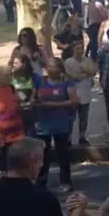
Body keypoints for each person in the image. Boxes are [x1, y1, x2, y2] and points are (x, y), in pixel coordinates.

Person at [34, 58, 79, 192]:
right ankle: (41, 181)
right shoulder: (40, 80)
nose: (52, 69)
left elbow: (74, 101)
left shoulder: (66, 82)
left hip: (61, 122)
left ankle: (65, 180)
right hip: (43, 123)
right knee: (42, 153)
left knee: (62, 153)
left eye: (55, 66)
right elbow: (34, 97)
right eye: (49, 66)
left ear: (60, 68)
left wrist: (52, 105)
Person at [64, 41, 96, 145]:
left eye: (81, 48)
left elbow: (93, 71)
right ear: (73, 50)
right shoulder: (68, 62)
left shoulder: (88, 60)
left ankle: (82, 137)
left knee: (84, 118)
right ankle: (68, 138)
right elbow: (72, 76)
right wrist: (86, 73)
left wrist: (85, 71)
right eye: (77, 48)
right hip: (73, 94)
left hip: (85, 93)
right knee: (71, 118)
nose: (80, 51)